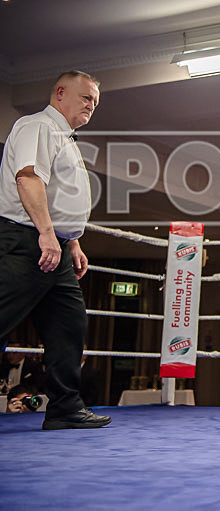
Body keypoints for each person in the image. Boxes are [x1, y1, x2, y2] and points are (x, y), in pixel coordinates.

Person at [0, 70, 110, 430]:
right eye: (85, 97)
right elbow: (28, 179)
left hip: (54, 246)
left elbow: (59, 197)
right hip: (27, 241)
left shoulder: (66, 139)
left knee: (69, 326)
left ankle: (64, 407)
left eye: (95, 101)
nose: (92, 105)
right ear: (60, 92)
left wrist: (71, 241)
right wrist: (47, 234)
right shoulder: (37, 126)